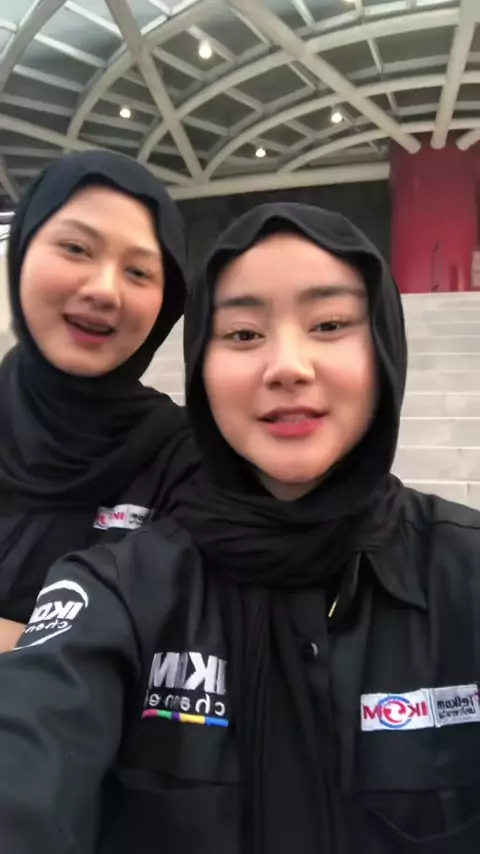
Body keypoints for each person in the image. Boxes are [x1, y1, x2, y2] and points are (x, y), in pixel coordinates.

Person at [0, 202, 480, 854]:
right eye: (244, 333)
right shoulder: (119, 590)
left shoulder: (463, 572)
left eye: (330, 324)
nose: (287, 366)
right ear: (200, 366)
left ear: (385, 348)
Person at [0, 150, 198, 650]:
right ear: (22, 251)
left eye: (139, 272)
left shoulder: (187, 459)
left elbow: (169, 654)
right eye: (76, 248)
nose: (105, 290)